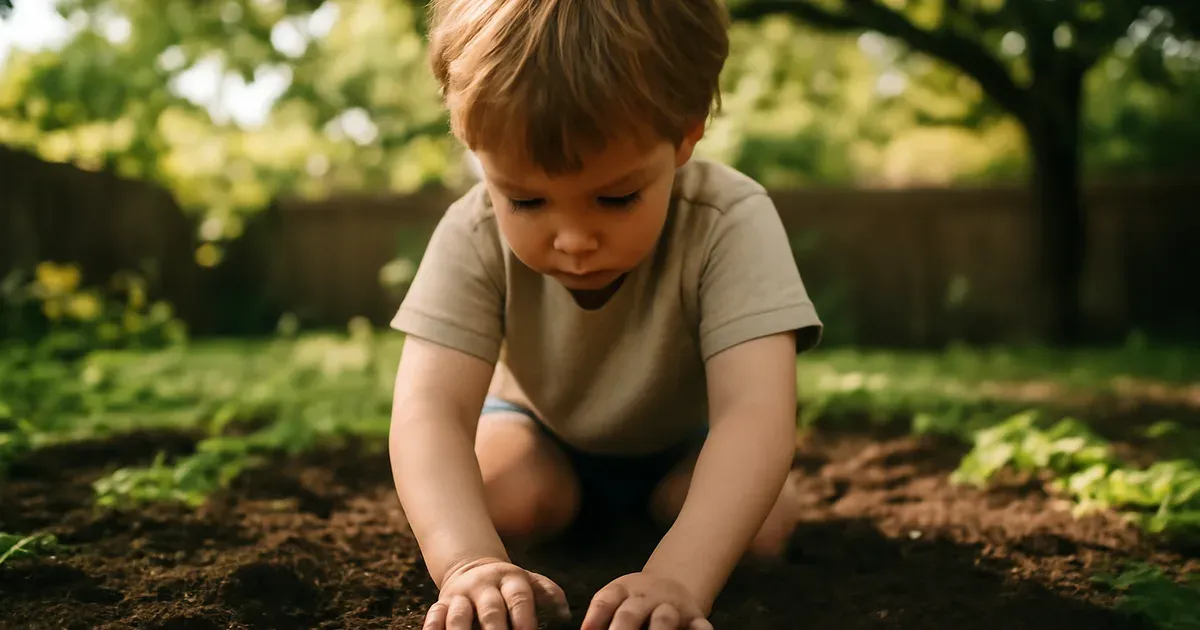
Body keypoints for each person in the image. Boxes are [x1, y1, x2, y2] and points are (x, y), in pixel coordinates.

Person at [388, 1, 823, 628]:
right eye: (527, 199)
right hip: (540, 433)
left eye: (616, 198)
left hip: (686, 446)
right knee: (502, 499)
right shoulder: (472, 232)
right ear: (476, 150)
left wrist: (679, 577)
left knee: (758, 530)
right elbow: (430, 411)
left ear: (684, 134)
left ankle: (664, 524)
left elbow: (754, 414)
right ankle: (583, 515)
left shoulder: (730, 220)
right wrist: (467, 563)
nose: (572, 238)